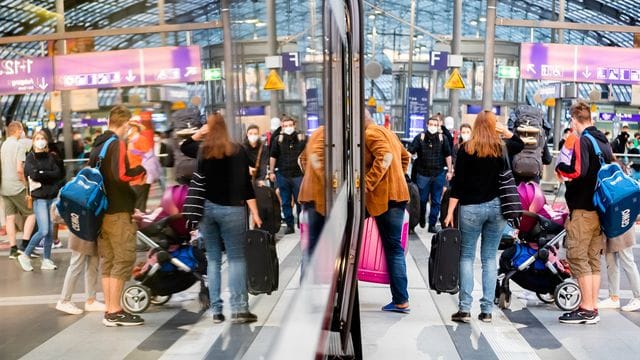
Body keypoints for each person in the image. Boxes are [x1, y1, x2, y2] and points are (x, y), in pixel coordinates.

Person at [444, 110, 524, 323]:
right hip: (498, 209)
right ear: (492, 126)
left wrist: (450, 211)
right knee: (489, 258)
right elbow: (520, 144)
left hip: (471, 208)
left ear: (476, 126)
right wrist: (505, 130)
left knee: (467, 256)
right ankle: (487, 310)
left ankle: (464, 309)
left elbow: (457, 184)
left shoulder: (465, 149)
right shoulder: (502, 148)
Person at [194, 113, 262, 324]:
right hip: (232, 209)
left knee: (213, 259)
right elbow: (245, 185)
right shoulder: (237, 150)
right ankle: (240, 309)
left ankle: (216, 311)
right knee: (236, 259)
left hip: (207, 209)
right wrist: (256, 213)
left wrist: (199, 134)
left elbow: (198, 181)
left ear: (209, 128)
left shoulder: (203, 151)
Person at [555, 101, 613, 324]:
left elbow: (580, 172)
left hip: (583, 209)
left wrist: (562, 169)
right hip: (600, 210)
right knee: (592, 259)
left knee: (577, 256)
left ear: (573, 120)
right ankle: (592, 306)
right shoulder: (603, 141)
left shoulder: (584, 140)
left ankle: (586, 308)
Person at [88, 105, 146, 327]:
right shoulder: (117, 144)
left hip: (101, 213)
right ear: (125, 123)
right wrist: (140, 171)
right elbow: (121, 174)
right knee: (123, 259)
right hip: (119, 212)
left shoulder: (98, 146)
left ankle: (111, 310)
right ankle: (115, 310)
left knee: (109, 262)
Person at [364, 109, 411, 314]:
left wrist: (367, 183)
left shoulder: (370, 133)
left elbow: (385, 156)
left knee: (392, 249)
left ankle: (401, 300)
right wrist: (397, 178)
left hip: (384, 199)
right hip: (398, 195)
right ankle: (401, 299)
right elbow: (405, 157)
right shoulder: (388, 132)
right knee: (395, 248)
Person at [16, 130, 64, 271]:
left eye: (43, 138)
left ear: (46, 141)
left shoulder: (51, 157)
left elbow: (57, 174)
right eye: (38, 138)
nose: (40, 140)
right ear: (33, 141)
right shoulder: (30, 157)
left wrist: (43, 174)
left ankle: (47, 259)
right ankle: (25, 255)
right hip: (39, 199)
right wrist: (45, 175)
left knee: (49, 231)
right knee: (43, 230)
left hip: (51, 197)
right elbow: (33, 175)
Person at [52, 204, 106, 315]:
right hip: (85, 228)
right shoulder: (92, 187)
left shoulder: (73, 188)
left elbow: (57, 212)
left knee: (90, 264)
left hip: (84, 228)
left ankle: (91, 300)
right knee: (78, 265)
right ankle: (64, 300)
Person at [407, 116, 453, 232]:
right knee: (421, 200)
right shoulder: (420, 138)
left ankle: (432, 224)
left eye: (435, 125)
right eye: (430, 124)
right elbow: (410, 152)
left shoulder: (443, 139)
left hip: (438, 174)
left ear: (438, 126)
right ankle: (421, 217)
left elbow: (448, 155)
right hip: (423, 174)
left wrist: (450, 171)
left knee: (436, 201)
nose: (432, 127)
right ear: (427, 125)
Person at [1, 121, 36, 259]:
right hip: (16, 186)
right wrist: (25, 184)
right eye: (21, 130)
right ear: (18, 130)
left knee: (10, 218)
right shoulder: (18, 145)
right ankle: (24, 245)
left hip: (3, 187)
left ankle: (13, 249)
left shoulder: (3, 145)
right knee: (32, 214)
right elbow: (19, 170)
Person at [269, 116, 307, 234]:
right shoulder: (278, 140)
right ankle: (289, 225)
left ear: (294, 125)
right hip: (283, 174)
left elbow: (308, 154)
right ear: (282, 127)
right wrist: (271, 172)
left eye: (290, 125)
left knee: (300, 200)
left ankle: (301, 224)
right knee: (285, 201)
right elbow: (273, 156)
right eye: (285, 126)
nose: (288, 128)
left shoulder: (302, 138)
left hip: (298, 174)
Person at [298, 125, 326, 274]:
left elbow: (302, 158)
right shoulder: (325, 134)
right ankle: (307, 284)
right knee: (313, 243)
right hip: (318, 197)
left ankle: (309, 282)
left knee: (312, 242)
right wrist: (329, 182)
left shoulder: (317, 132)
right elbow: (315, 156)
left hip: (312, 196)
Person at [597, 228, 640, 312]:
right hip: (609, 228)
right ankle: (613, 298)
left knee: (627, 261)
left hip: (622, 227)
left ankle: (638, 297)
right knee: (611, 262)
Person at [127, 120, 153, 212]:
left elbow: (148, 158)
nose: (127, 129)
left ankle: (141, 225)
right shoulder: (129, 141)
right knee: (134, 206)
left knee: (139, 206)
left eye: (128, 127)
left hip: (140, 178)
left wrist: (145, 177)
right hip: (132, 178)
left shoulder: (141, 139)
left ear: (134, 128)